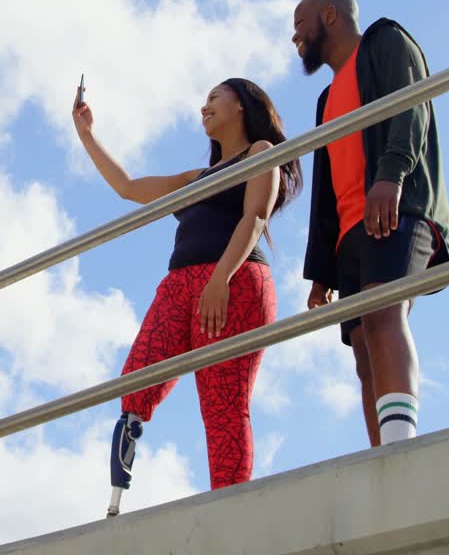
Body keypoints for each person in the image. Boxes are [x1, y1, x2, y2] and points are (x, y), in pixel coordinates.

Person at [72, 77, 302, 517]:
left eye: (215, 97)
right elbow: (128, 187)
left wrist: (221, 278)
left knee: (223, 404)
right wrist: (87, 135)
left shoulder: (260, 153)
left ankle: (229, 509)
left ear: (242, 105)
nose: (204, 107)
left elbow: (254, 215)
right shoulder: (196, 177)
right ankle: (121, 476)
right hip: (180, 284)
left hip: (234, 282)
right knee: (136, 378)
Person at [292, 0, 449, 448]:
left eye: (299, 24)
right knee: (362, 347)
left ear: (329, 15)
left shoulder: (385, 41)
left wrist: (392, 175)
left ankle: (402, 444)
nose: (295, 37)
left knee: (385, 310)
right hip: (348, 234)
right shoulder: (325, 101)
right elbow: (324, 191)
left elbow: (412, 104)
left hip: (395, 206)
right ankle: (383, 453)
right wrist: (321, 271)